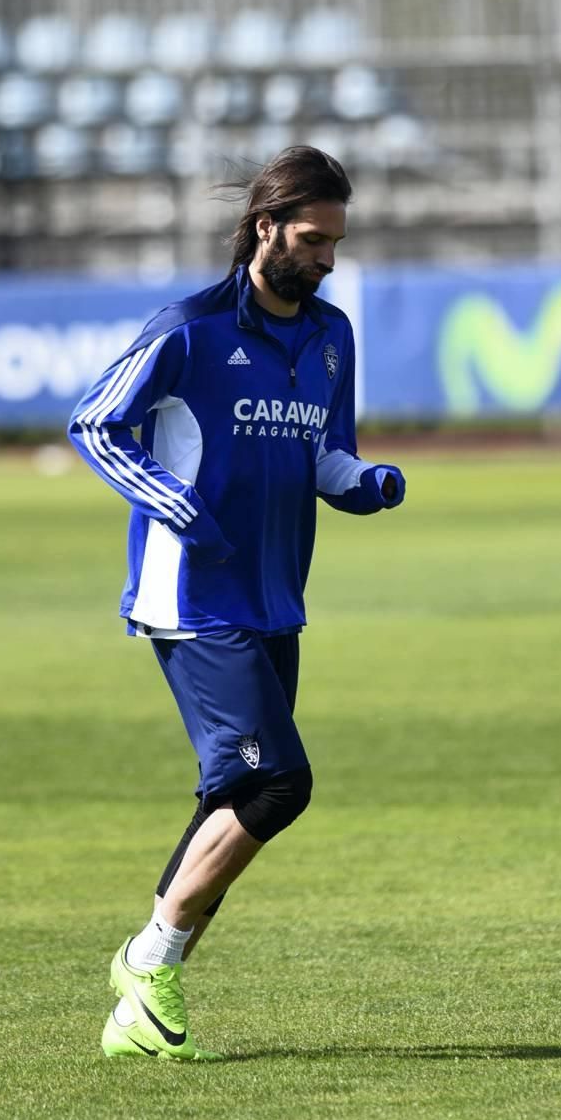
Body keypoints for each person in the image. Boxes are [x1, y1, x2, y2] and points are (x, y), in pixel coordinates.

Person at [68, 145, 406, 1061]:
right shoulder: (190, 328)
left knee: (236, 795)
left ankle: (139, 1009)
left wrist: (362, 480)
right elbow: (94, 422)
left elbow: (324, 453)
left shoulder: (331, 337)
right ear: (266, 228)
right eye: (313, 237)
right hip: (194, 598)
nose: (329, 256)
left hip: (275, 597)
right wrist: (172, 501)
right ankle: (149, 960)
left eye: (336, 239)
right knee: (277, 782)